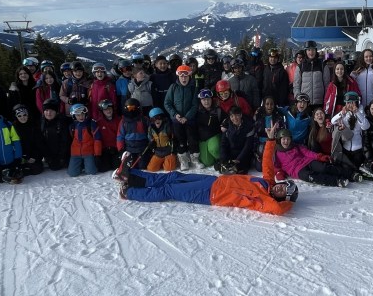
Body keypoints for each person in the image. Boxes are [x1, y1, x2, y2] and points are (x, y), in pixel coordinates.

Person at [119, 125, 295, 216]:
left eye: (283, 192)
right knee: (173, 176)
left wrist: (290, 200)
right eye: (283, 186)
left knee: (170, 189)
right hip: (214, 181)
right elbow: (267, 164)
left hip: (210, 195)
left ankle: (130, 192)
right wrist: (271, 140)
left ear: (282, 198)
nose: (280, 188)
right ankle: (131, 175)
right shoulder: (268, 182)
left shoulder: (265, 201)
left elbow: (279, 210)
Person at [274, 128, 355, 187]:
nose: (286, 141)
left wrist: (319, 157)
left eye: (288, 139)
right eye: (283, 139)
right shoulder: (277, 153)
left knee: (324, 168)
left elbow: (307, 153)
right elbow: (276, 166)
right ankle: (337, 181)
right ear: (279, 140)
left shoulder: (295, 146)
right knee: (313, 177)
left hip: (307, 162)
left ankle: (350, 174)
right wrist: (279, 172)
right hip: (297, 171)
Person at [330, 92, 373, 180]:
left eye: (352, 102)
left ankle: (357, 172)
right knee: (345, 166)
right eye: (348, 103)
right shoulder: (344, 114)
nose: (350, 105)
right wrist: (342, 113)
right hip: (346, 147)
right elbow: (333, 121)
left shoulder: (361, 112)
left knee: (354, 165)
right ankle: (356, 173)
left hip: (358, 148)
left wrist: (357, 112)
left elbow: (366, 126)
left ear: (357, 102)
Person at [164, 64, 199, 170]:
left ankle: (195, 159)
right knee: (181, 140)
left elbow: (195, 104)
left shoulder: (193, 88)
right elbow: (167, 103)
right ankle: (183, 160)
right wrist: (175, 114)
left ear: (189, 76)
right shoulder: (173, 87)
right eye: (181, 76)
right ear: (178, 76)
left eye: (186, 76)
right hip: (177, 119)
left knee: (192, 139)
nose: (184, 78)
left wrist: (187, 117)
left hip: (190, 119)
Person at [218, 105, 255, 175]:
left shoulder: (248, 126)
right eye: (232, 116)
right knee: (222, 167)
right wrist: (224, 158)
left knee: (240, 170)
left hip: (243, 154)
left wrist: (238, 159)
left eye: (237, 115)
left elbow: (248, 146)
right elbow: (223, 144)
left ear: (241, 115)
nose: (234, 118)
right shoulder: (227, 126)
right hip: (232, 153)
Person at [67, 103, 101, 177]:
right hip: (75, 152)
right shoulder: (72, 126)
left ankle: (86, 164)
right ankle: (81, 164)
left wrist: (97, 154)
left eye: (82, 114)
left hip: (88, 152)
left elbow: (97, 139)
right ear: (74, 116)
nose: (81, 117)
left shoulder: (91, 124)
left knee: (91, 172)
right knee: (72, 173)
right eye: (78, 115)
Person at [11, 104, 45, 176]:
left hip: (33, 155)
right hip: (20, 156)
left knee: (36, 169)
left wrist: (34, 156)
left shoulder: (34, 126)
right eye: (19, 116)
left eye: (24, 115)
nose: (22, 118)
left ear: (28, 115)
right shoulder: (13, 127)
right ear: (16, 117)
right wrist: (21, 157)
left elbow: (39, 143)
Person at [116, 98, 151, 169]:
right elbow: (120, 136)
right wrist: (121, 150)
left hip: (142, 148)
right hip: (129, 149)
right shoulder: (123, 122)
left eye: (133, 108)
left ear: (137, 108)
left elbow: (150, 133)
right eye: (129, 108)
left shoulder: (144, 120)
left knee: (142, 166)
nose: (131, 111)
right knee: (131, 167)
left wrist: (151, 144)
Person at [195, 89, 225, 169]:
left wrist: (224, 126)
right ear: (200, 100)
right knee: (207, 162)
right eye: (204, 100)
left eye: (208, 99)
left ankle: (221, 160)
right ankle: (213, 158)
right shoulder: (197, 111)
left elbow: (225, 120)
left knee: (214, 149)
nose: (206, 102)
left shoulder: (218, 110)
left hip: (214, 135)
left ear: (212, 99)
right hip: (202, 139)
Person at [40, 100, 71, 171]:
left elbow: (65, 142)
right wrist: (47, 156)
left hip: (61, 154)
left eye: (51, 110)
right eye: (46, 110)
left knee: (55, 167)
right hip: (49, 154)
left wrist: (60, 157)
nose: (49, 113)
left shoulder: (62, 122)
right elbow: (40, 141)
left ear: (56, 111)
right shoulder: (41, 122)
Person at [146, 107, 179, 172]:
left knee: (169, 169)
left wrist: (173, 142)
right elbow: (150, 138)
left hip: (168, 152)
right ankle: (162, 162)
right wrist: (151, 144)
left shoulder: (167, 126)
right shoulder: (151, 129)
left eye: (159, 118)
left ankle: (170, 160)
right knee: (151, 169)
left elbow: (174, 136)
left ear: (163, 118)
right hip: (158, 152)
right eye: (153, 119)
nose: (157, 120)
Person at [294, 40, 326, 106]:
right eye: (309, 50)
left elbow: (327, 85)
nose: (311, 52)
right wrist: (298, 99)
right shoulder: (301, 66)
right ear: (305, 52)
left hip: (319, 103)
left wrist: (326, 99)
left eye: (313, 50)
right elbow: (296, 85)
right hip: (304, 103)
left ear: (316, 50)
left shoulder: (322, 65)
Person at [96, 99, 122, 172]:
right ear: (102, 111)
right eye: (105, 110)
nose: (108, 111)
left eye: (110, 109)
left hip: (116, 148)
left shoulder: (119, 120)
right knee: (102, 168)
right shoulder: (99, 122)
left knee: (116, 167)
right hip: (105, 149)